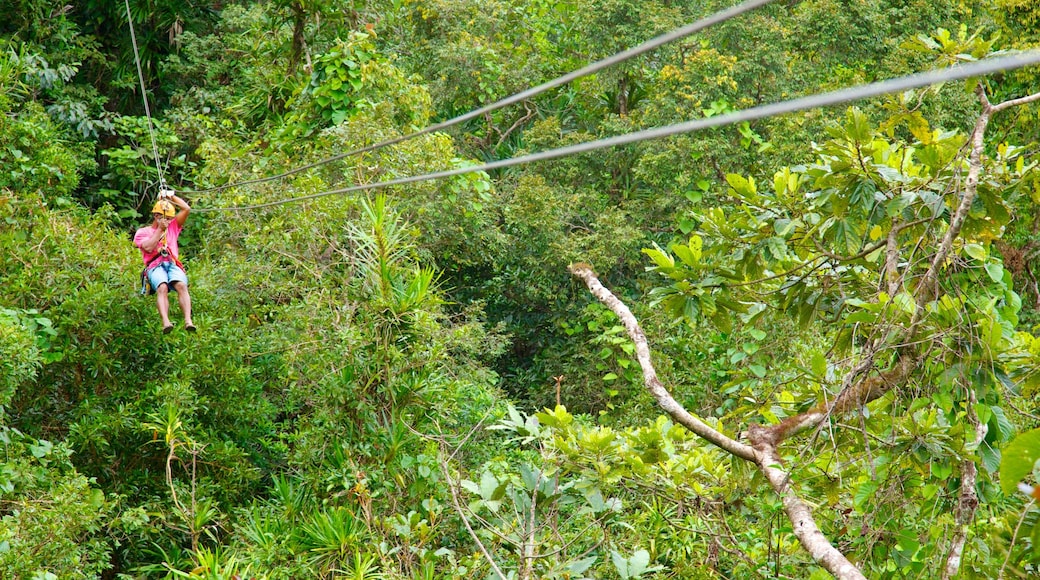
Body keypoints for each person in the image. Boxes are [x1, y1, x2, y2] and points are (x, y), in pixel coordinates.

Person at [134, 192, 195, 334]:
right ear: (156, 216)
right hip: (155, 266)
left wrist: (171, 196)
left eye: (169, 218)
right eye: (164, 218)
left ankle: (188, 320)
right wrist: (160, 229)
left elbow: (186, 209)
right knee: (162, 287)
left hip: (172, 263)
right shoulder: (143, 232)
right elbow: (148, 247)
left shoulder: (173, 227)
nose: (167, 221)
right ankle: (166, 321)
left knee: (181, 285)